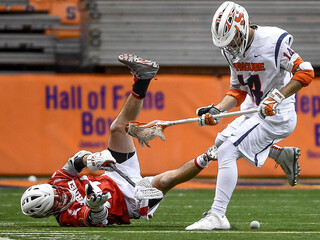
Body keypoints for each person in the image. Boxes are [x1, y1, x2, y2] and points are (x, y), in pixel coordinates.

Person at [20, 53, 218, 226]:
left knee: (117, 128)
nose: (59, 195)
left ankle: (143, 78)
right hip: (129, 200)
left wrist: (92, 160)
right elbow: (96, 219)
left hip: (114, 175)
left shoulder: (57, 182)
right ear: (49, 212)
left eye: (54, 192)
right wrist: (96, 206)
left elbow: (74, 163)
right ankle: (209, 156)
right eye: (54, 201)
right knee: (166, 180)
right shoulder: (66, 217)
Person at [186, 1, 314, 231]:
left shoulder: (272, 41)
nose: (231, 46)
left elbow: (306, 71)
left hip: (277, 114)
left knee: (227, 150)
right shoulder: (231, 50)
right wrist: (217, 110)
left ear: (242, 27)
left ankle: (217, 215)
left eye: (233, 39)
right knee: (219, 143)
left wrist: (278, 97)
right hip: (255, 109)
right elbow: (237, 90)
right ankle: (279, 154)